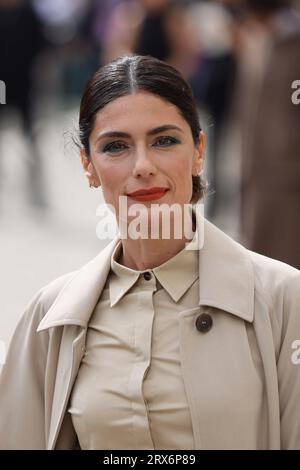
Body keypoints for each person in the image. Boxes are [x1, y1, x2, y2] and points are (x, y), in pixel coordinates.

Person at [0, 55, 300, 450]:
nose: (143, 165)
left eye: (164, 141)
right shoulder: (50, 317)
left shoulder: (284, 298)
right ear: (88, 166)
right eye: (116, 146)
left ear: (198, 151)